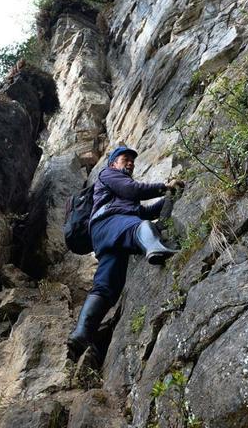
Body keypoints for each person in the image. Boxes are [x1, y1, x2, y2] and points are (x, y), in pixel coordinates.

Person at [67, 146, 184, 361]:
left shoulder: (123, 197)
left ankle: (81, 335)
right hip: (109, 222)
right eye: (125, 159)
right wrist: (162, 186)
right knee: (137, 227)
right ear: (113, 163)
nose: (130, 163)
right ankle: (154, 248)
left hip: (106, 234)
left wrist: (170, 197)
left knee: (107, 286)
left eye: (132, 160)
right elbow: (133, 191)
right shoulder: (108, 174)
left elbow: (144, 211)